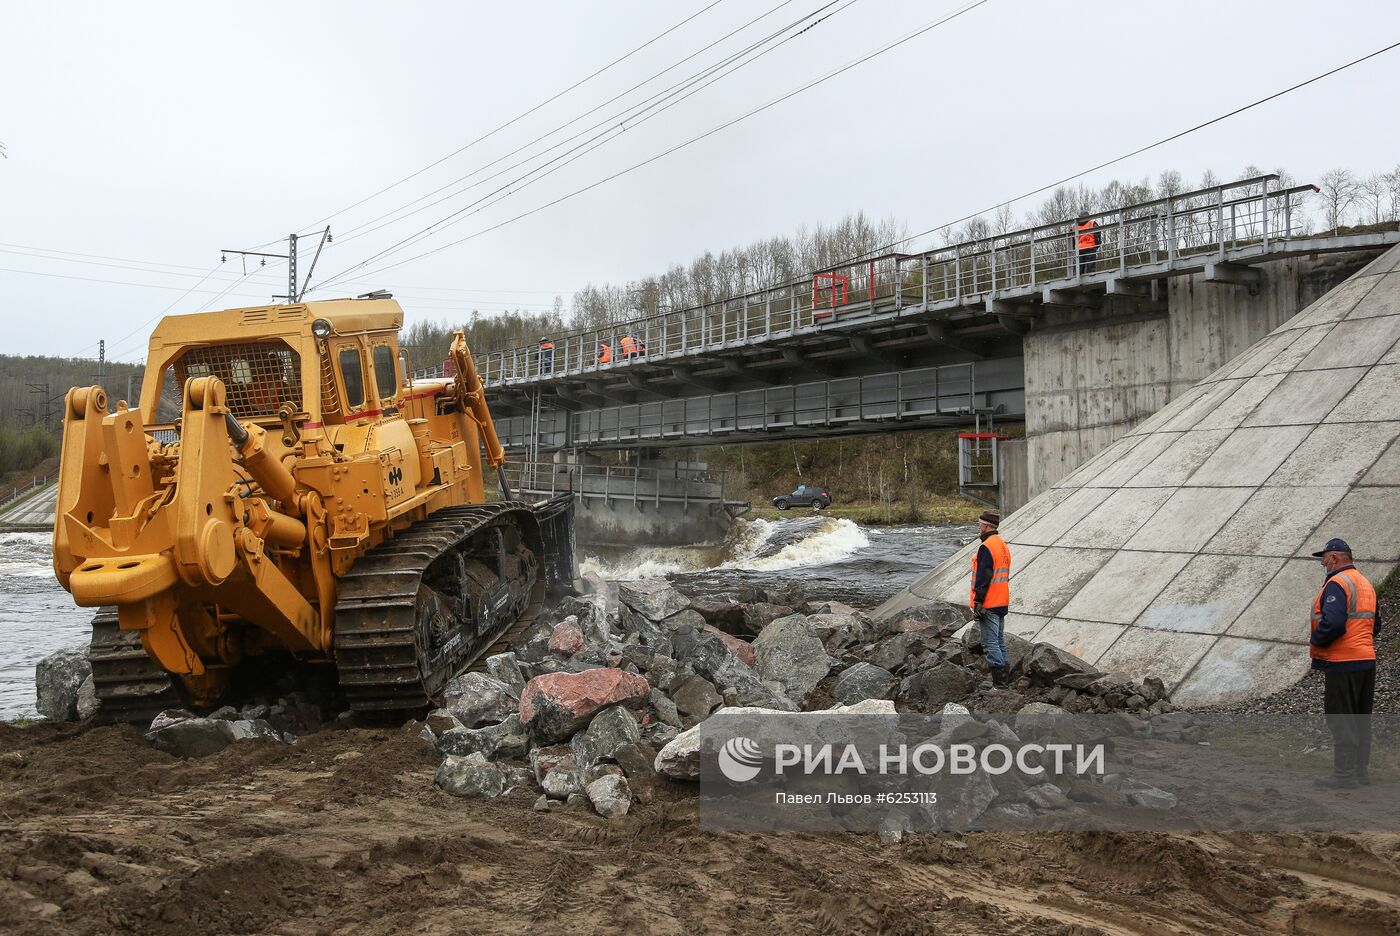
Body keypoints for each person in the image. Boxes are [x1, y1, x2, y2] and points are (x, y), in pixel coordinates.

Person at [1309, 537, 1381, 789]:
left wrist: (1317, 638)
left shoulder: (1337, 583)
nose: (1323, 565)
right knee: (1361, 717)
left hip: (1343, 661)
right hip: (1365, 660)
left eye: (1324, 559)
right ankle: (1361, 773)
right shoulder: (1365, 584)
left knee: (1341, 717)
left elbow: (1334, 623)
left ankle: (1343, 775)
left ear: (1335, 558)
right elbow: (1376, 625)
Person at [970, 510, 1012, 687]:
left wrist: (979, 602)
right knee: (999, 642)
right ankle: (1005, 680)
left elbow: (984, 576)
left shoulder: (986, 547)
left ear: (986, 526)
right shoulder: (1002, 545)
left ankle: (1000, 685)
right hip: (1001, 601)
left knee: (989, 644)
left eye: (980, 524)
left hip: (989, 602)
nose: (978, 527)